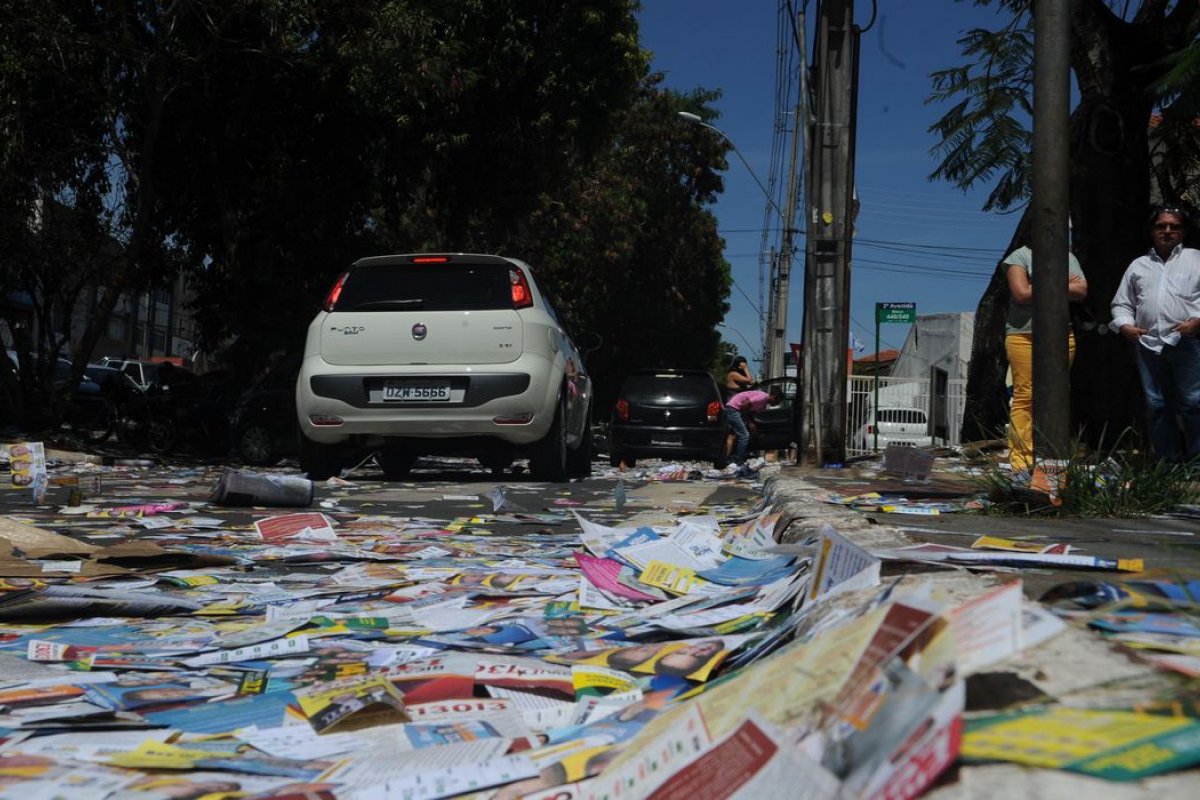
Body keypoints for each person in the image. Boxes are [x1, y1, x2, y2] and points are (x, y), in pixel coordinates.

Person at [1111, 205, 1200, 462]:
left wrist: (1197, 324)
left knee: (1193, 404)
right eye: (1161, 226)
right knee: (1158, 407)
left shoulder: (1196, 259)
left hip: (1188, 342)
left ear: (1183, 232)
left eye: (1174, 226)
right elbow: (1121, 303)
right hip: (1148, 345)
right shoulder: (1138, 265)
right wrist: (1125, 325)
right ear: (1152, 231)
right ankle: (1168, 464)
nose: (1168, 231)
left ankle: (1196, 465)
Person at [1002, 238, 1087, 479]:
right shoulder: (1019, 256)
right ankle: (1021, 462)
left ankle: (1053, 458)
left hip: (1060, 333)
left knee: (1057, 394)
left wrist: (1036, 286)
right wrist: (1061, 284)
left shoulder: (1067, 257)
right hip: (1023, 335)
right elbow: (1020, 293)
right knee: (1025, 395)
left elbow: (1081, 290)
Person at [724, 385, 785, 466]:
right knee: (744, 435)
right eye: (778, 402)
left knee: (734, 436)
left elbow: (750, 411)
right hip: (733, 409)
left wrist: (753, 424)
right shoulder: (762, 398)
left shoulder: (764, 404)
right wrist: (749, 423)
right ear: (774, 397)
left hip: (736, 410)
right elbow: (744, 405)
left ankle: (728, 458)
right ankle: (738, 460)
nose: (776, 404)